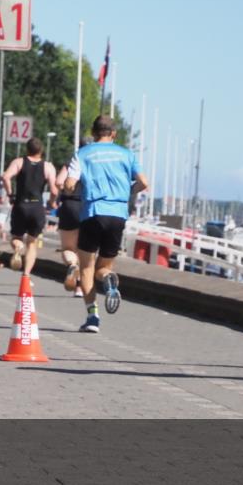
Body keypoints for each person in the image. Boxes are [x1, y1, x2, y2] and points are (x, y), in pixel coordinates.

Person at [65, 115, 149, 333]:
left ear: (93, 133)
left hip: (93, 213)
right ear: (114, 133)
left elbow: (69, 183)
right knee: (104, 268)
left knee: (86, 267)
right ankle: (109, 280)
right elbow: (144, 182)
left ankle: (92, 318)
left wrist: (74, 190)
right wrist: (127, 192)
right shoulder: (126, 154)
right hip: (118, 215)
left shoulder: (82, 153)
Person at [0, 137, 58, 277]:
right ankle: (26, 274)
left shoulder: (19, 162)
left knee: (16, 237)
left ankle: (18, 247)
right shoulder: (48, 166)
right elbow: (54, 190)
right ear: (41, 151)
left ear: (27, 149)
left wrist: (10, 194)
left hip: (21, 205)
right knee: (32, 243)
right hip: (37, 208)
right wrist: (51, 202)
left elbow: (5, 177)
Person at [56, 137, 92, 295]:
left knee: (69, 249)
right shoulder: (95, 164)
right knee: (85, 250)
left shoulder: (72, 161)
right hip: (89, 208)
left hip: (70, 205)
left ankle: (72, 264)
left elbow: (59, 181)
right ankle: (80, 288)